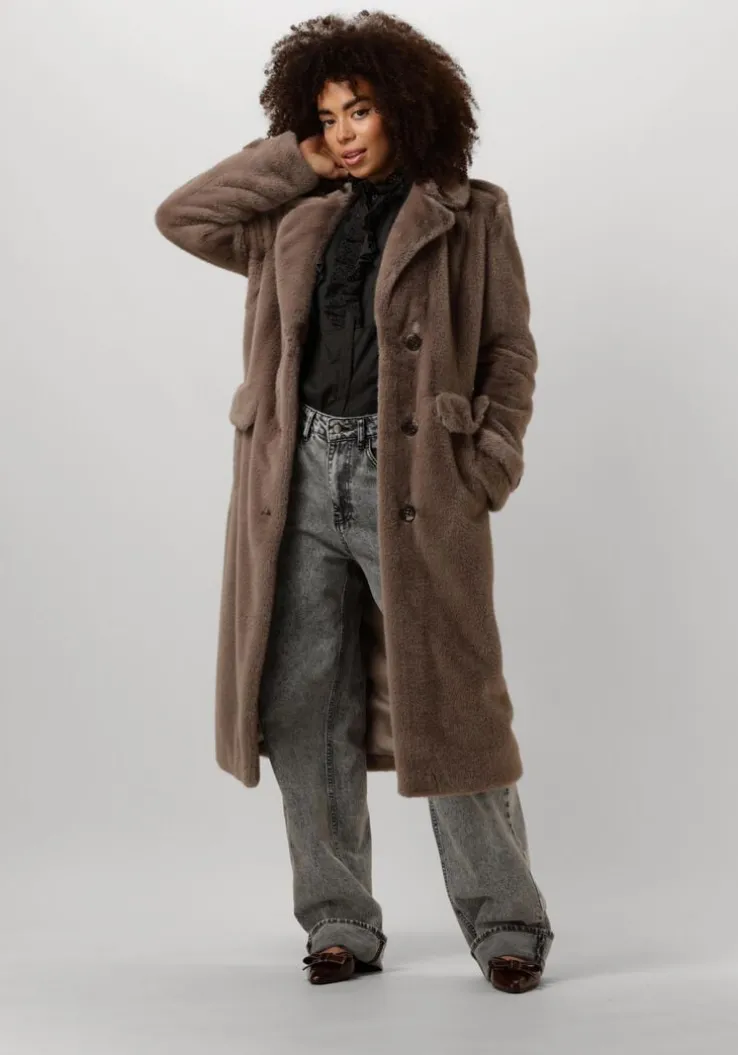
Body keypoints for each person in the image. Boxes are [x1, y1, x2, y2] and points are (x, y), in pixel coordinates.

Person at [154, 11, 554, 992]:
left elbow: (508, 348)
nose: (343, 132)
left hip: (412, 480)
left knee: (451, 702)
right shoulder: (290, 214)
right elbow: (184, 216)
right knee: (303, 702)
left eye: (359, 110)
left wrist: (489, 459)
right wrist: (289, 161)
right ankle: (337, 917)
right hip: (295, 475)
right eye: (326, 115)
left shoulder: (472, 213)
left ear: (406, 108)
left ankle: (507, 919)